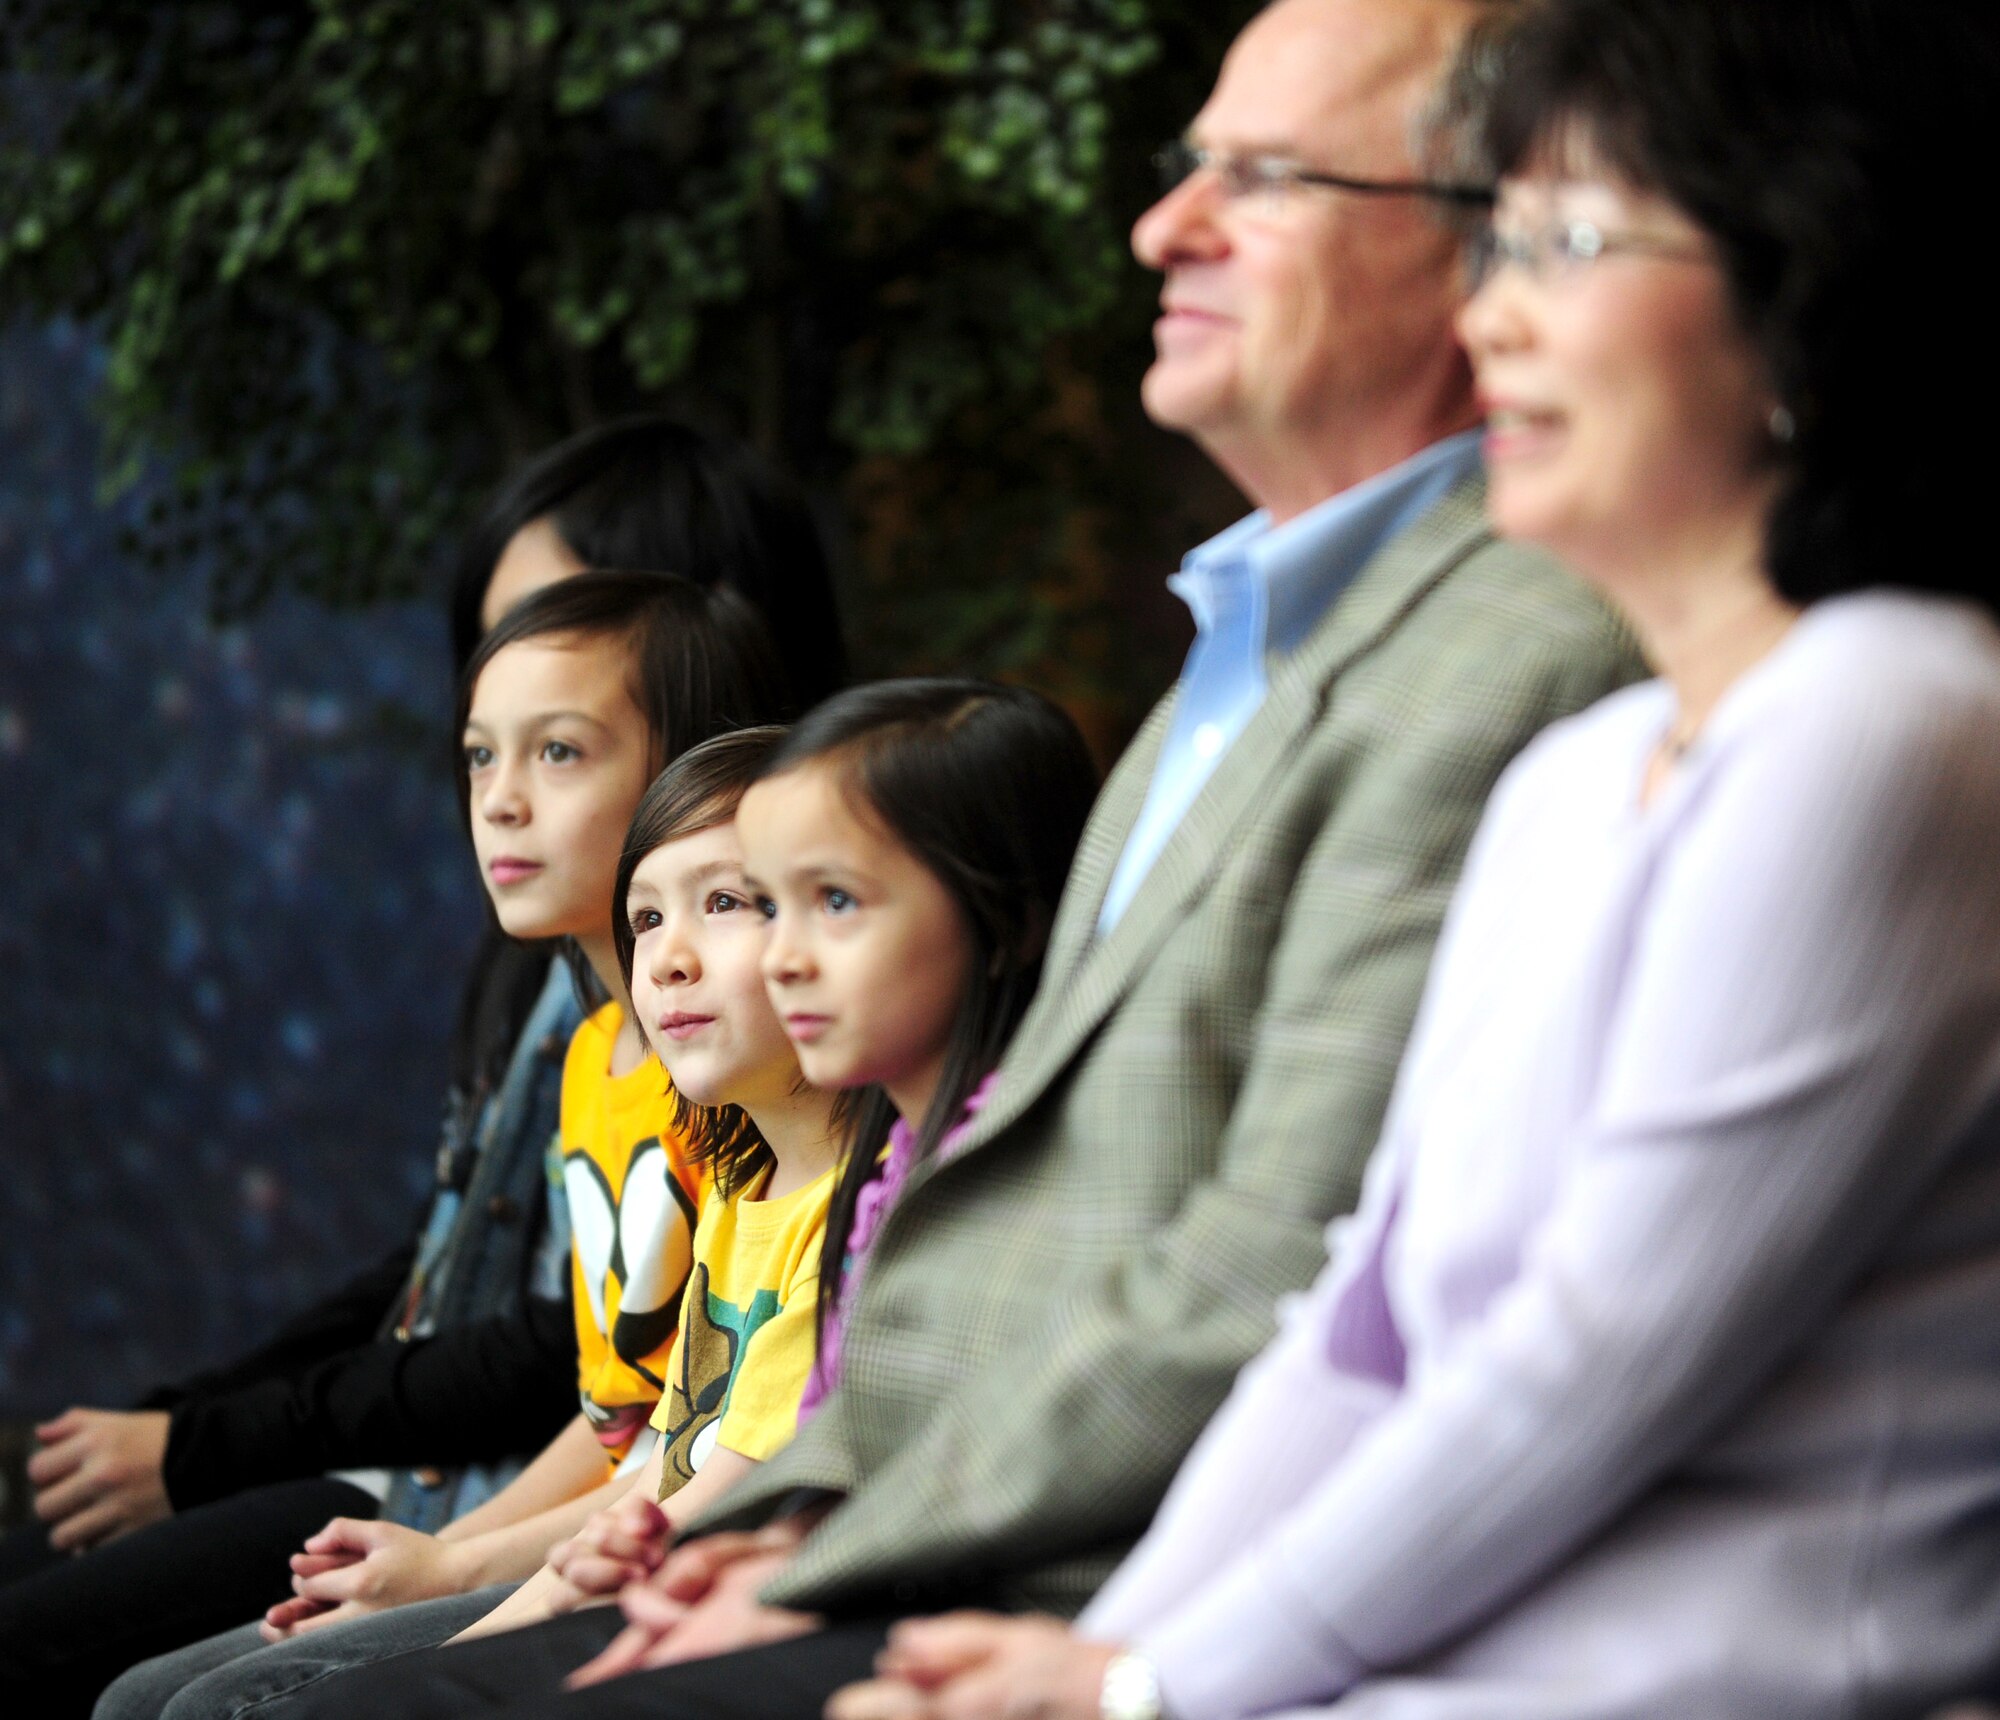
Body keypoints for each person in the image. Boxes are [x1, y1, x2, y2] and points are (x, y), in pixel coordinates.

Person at [291, 1, 1645, 1713]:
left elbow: (1287, 1266)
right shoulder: (1239, 636)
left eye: (1267, 176)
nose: (1165, 224)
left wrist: (835, 1541)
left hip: (1095, 1569)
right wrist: (764, 1518)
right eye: (1185, 166)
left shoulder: (1511, 654)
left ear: (1492, 248)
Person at [814, 1, 2000, 1715]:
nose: (1492, 312)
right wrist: (1101, 1653)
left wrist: (1148, 1689)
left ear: (1816, 286)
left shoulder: (1888, 723)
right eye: (1496, 239)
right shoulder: (1583, 775)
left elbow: (1587, 1365)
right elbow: (1356, 1334)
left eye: (1573, 242)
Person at [3, 420, 840, 1716]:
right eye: (478, 749)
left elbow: (673, 1411)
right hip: (533, 1502)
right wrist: (198, 1425)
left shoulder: (745, 1076)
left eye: (557, 745)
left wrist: (462, 1559)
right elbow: (606, 1379)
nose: (499, 798)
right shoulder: (568, 1016)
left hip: (547, 1501)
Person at [97, 729, 842, 1720]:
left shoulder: (839, 1206)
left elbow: (700, 1487)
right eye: (647, 918)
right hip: (598, 1552)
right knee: (153, 1697)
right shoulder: (732, 1179)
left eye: (723, 903)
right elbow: (659, 1437)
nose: (662, 960)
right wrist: (464, 1577)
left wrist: (457, 1598)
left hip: (695, 1585)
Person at [559, 680, 1098, 1688]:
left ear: (1006, 916)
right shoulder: (768, 1174)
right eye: (775, 904)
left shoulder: (984, 1179)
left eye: (827, 902)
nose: (788, 957)